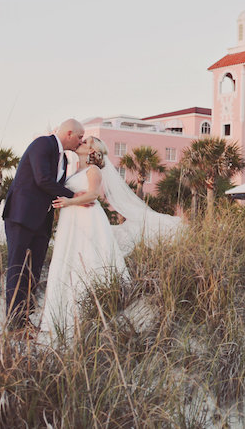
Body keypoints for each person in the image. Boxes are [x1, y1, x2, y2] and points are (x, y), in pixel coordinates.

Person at [39, 136, 184, 339]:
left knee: (88, 257)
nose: (80, 142)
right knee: (68, 257)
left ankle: (91, 310)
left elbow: (93, 196)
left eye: (85, 142)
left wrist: (68, 201)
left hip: (87, 218)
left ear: (92, 151)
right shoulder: (75, 171)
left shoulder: (93, 170)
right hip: (71, 219)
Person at [2, 119, 86, 332]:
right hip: (21, 217)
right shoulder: (42, 144)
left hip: (42, 222)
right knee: (16, 269)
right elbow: (43, 180)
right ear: (69, 133)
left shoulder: (64, 160)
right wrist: (73, 195)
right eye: (80, 137)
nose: (81, 141)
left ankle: (25, 318)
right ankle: (14, 324)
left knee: (33, 272)